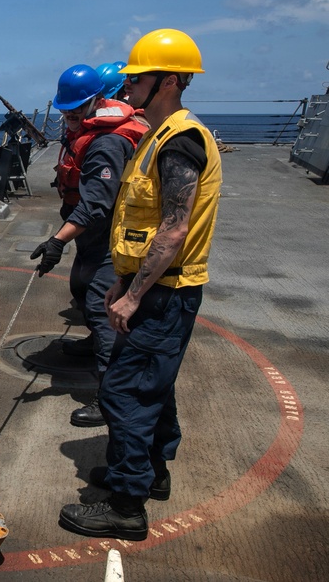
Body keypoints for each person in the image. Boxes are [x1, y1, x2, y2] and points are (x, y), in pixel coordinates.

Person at [58, 28, 223, 541]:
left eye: (139, 78)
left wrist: (133, 293)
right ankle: (152, 474)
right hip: (153, 286)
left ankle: (127, 506)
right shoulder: (158, 134)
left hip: (164, 292)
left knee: (124, 392)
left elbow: (174, 228)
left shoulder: (180, 141)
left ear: (169, 81)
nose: (127, 88)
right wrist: (125, 279)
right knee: (153, 386)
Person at [30, 64, 147, 427]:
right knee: (80, 286)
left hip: (110, 234)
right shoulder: (81, 129)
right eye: (65, 112)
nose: (70, 119)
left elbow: (96, 204)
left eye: (77, 112)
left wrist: (57, 242)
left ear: (98, 102)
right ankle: (93, 342)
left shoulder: (107, 142)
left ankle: (111, 396)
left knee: (102, 305)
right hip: (90, 235)